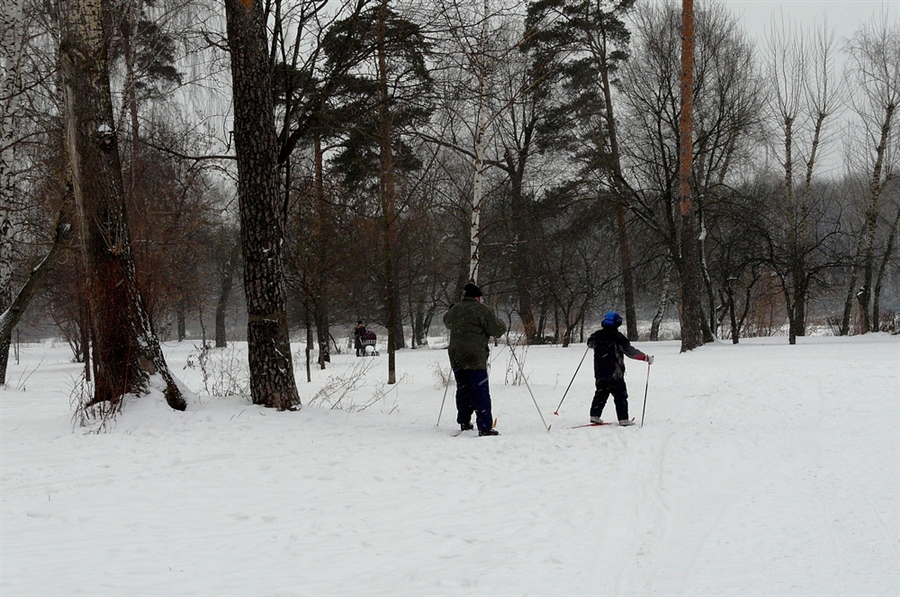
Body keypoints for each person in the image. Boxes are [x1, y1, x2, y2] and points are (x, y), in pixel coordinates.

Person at [443, 282, 507, 436]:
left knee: (463, 389)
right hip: (474, 356)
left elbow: (447, 321)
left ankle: (464, 421)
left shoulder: (456, 309)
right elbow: (496, 330)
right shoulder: (482, 310)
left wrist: (450, 311)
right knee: (480, 391)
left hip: (456, 355)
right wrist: (502, 324)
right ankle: (485, 427)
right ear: (478, 297)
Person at [586, 311, 654, 426]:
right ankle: (623, 419)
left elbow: (590, 344)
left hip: (600, 371)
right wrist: (644, 357)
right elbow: (630, 351)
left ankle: (595, 415)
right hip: (615, 372)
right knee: (620, 395)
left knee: (601, 393)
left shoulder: (596, 335)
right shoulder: (618, 337)